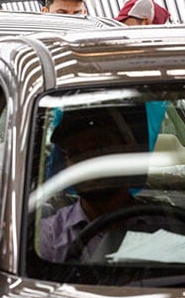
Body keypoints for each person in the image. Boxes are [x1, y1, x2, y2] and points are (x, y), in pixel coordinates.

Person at [38, 107, 147, 262]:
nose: (87, 162)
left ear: (127, 151)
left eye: (99, 147)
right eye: (75, 153)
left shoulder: (169, 226)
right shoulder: (49, 237)